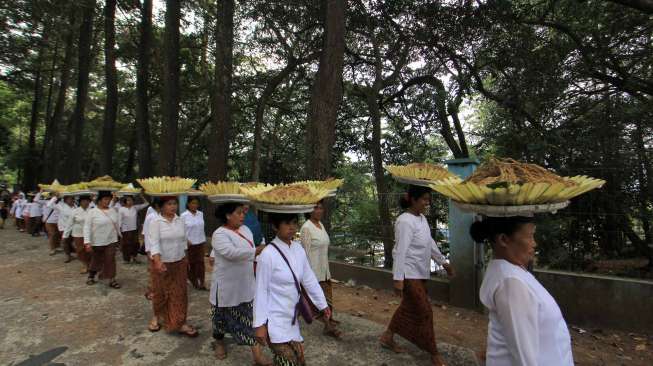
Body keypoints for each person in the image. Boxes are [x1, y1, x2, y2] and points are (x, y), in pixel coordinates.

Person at [470, 216, 574, 366]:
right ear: (504, 239)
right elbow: (524, 356)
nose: (534, 243)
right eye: (530, 236)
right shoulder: (510, 283)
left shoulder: (513, 272)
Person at [380, 185, 454, 366]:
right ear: (413, 199)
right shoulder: (405, 221)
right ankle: (433, 353)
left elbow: (429, 243)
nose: (427, 203)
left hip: (420, 272)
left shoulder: (421, 219)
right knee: (425, 311)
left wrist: (443, 262)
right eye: (424, 199)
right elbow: (400, 251)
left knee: (408, 307)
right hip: (408, 272)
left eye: (428, 199)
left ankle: (387, 337)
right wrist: (398, 279)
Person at [254, 213, 331, 366]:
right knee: (288, 362)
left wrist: (323, 304)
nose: (292, 227)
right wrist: (259, 325)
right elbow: (260, 291)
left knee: (299, 361)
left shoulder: (298, 249)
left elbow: (309, 279)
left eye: (294, 223)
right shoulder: (267, 255)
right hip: (274, 320)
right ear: (275, 226)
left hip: (292, 318)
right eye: (286, 223)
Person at [210, 202, 269, 364]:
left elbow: (250, 253)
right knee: (219, 320)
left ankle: (257, 355)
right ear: (228, 215)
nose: (243, 215)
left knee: (249, 320)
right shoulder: (219, 234)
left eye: (243, 212)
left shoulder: (246, 230)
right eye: (239, 213)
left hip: (245, 283)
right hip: (226, 286)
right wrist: (255, 251)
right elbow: (231, 253)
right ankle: (219, 342)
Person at [147, 196, 198, 337]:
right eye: (169, 204)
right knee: (160, 292)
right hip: (161, 262)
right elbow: (154, 243)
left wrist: (186, 258)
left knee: (180, 293)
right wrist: (157, 261)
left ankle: (180, 322)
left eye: (174, 203)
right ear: (161, 206)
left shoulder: (180, 220)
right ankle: (157, 316)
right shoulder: (155, 221)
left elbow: (183, 241)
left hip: (179, 261)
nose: (173, 206)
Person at [300, 200, 341, 338]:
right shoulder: (306, 228)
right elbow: (304, 253)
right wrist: (306, 274)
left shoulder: (321, 225)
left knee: (327, 296)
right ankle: (327, 325)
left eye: (321, 208)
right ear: (309, 210)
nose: (319, 210)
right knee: (319, 298)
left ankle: (329, 319)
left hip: (324, 269)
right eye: (315, 208)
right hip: (313, 271)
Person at [84, 191, 122, 288]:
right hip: (97, 241)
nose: (108, 201)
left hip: (111, 240)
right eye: (105, 199)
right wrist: (87, 242)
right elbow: (87, 227)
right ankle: (91, 275)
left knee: (110, 260)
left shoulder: (113, 210)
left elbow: (116, 224)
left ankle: (112, 279)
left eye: (109, 199)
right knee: (96, 260)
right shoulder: (92, 212)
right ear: (99, 201)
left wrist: (119, 236)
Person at [181, 197, 207, 290]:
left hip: (200, 242)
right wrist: (186, 240)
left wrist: (204, 241)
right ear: (188, 204)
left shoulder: (200, 214)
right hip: (190, 244)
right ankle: (194, 281)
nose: (194, 205)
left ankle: (202, 283)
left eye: (196, 203)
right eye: (192, 203)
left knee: (200, 263)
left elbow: (201, 228)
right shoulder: (184, 216)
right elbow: (181, 230)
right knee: (191, 264)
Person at [64, 195, 93, 274]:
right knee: (80, 250)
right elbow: (69, 224)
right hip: (78, 234)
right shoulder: (75, 211)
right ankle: (85, 265)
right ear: (80, 202)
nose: (86, 203)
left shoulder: (92, 210)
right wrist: (65, 235)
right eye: (83, 201)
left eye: (87, 201)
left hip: (91, 234)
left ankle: (91, 264)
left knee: (90, 250)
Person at [116, 194, 149, 264]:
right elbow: (119, 221)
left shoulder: (135, 208)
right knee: (126, 245)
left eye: (131, 200)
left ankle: (134, 257)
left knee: (135, 244)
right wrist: (119, 231)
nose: (130, 202)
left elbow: (147, 203)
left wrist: (141, 196)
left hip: (134, 229)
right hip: (125, 230)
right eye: (128, 200)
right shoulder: (121, 209)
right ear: (125, 201)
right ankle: (126, 259)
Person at [49, 194, 76, 262]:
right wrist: (56, 197)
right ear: (65, 200)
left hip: (74, 228)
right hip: (63, 228)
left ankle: (73, 253)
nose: (71, 200)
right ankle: (68, 256)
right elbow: (49, 205)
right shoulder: (61, 206)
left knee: (72, 242)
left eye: (72, 198)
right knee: (65, 242)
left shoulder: (75, 206)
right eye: (69, 199)